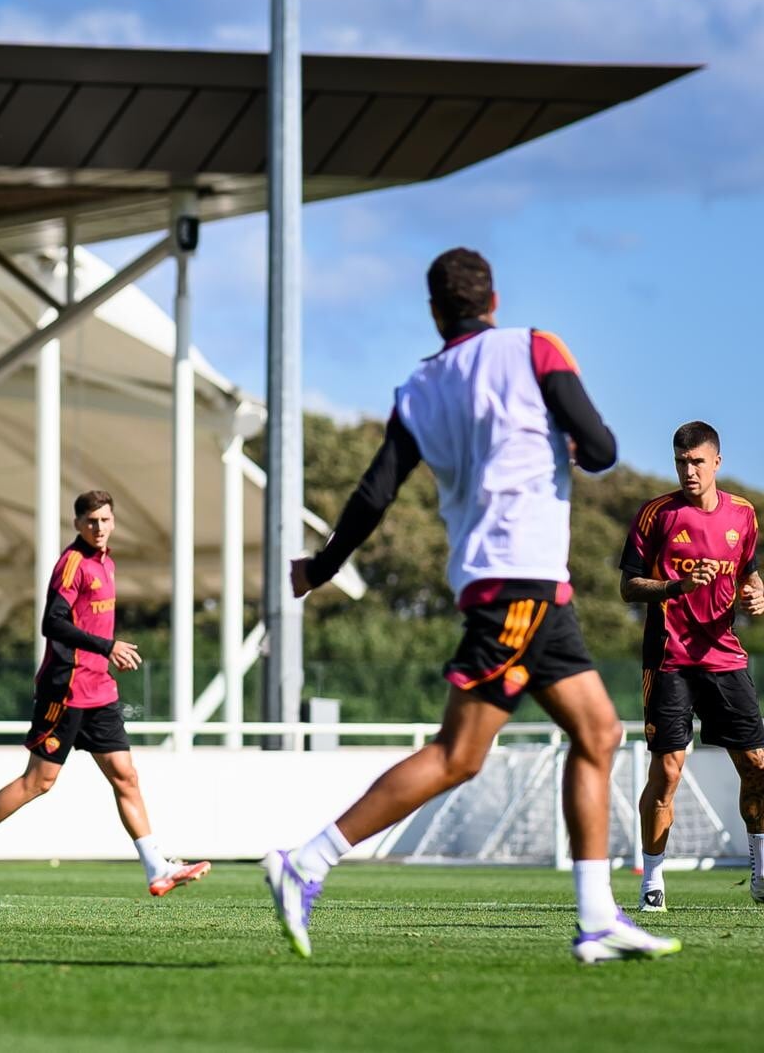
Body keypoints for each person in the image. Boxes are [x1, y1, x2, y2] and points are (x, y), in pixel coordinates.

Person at [264, 248, 680, 964]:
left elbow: (374, 493)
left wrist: (322, 567)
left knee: (599, 732)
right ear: (494, 298)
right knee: (458, 755)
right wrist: (572, 443)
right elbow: (602, 448)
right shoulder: (535, 349)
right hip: (520, 583)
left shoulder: (419, 387)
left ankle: (596, 919)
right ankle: (308, 860)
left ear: (435, 312)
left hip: (519, 587)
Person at [0, 490, 211, 898]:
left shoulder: (107, 563)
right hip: (65, 689)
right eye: (91, 521)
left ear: (113, 521)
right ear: (78, 524)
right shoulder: (72, 564)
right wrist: (108, 646)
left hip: (99, 689)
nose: (99, 528)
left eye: (105, 520)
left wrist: (105, 656)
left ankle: (157, 869)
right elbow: (52, 623)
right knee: (39, 781)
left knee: (126, 776)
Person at [620, 421, 764, 911]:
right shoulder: (655, 515)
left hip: (724, 656)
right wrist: (675, 587)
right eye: (681, 462)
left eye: (698, 462)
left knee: (757, 765)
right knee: (668, 771)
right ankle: (652, 881)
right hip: (669, 660)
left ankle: (761, 872)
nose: (689, 471)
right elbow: (628, 586)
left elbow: (748, 572)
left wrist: (756, 593)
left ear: (716, 462)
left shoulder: (743, 514)